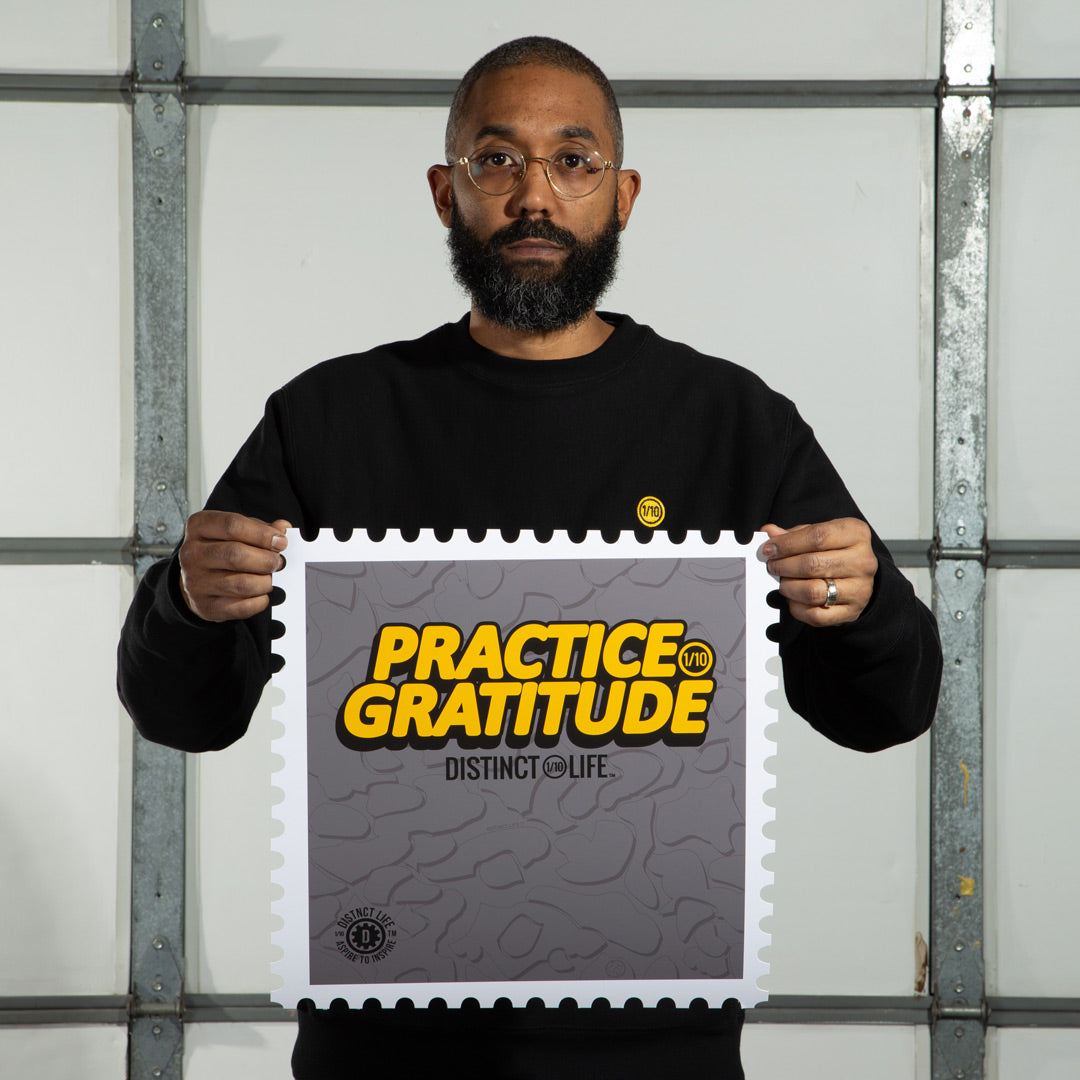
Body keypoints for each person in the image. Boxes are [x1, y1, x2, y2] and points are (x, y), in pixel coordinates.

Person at [118, 36, 941, 1080]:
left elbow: (885, 711)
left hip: (656, 1049)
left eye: (574, 161)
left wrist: (862, 605)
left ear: (623, 196)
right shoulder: (332, 419)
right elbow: (182, 713)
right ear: (445, 192)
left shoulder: (731, 422)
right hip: (385, 1048)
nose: (535, 196)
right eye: (497, 160)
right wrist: (189, 602)